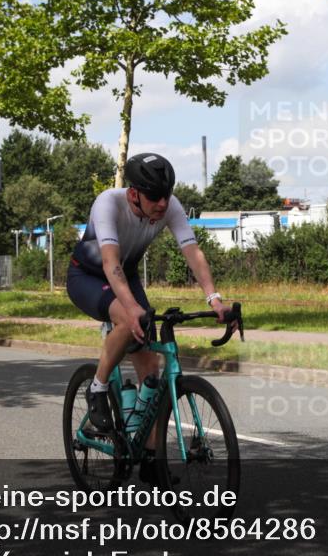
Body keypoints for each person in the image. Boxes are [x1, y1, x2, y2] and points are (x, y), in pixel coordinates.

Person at [66, 152, 229, 483]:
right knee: (129, 321)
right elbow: (110, 263)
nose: (162, 203)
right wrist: (132, 308)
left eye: (166, 195)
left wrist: (214, 297)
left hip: (124, 276)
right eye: (154, 196)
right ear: (133, 194)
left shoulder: (169, 206)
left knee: (152, 373)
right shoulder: (108, 204)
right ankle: (98, 388)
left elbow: (192, 252)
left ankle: (152, 457)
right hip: (89, 276)